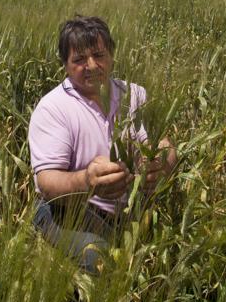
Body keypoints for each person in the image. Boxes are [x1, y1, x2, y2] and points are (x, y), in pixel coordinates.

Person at [28, 15, 177, 273]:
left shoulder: (135, 95)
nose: (92, 65)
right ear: (64, 64)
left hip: (128, 210)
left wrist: (163, 162)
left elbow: (163, 142)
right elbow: (47, 183)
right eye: (79, 60)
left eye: (99, 55)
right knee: (101, 259)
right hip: (67, 209)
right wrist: (87, 182)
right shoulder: (52, 109)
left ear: (112, 55)